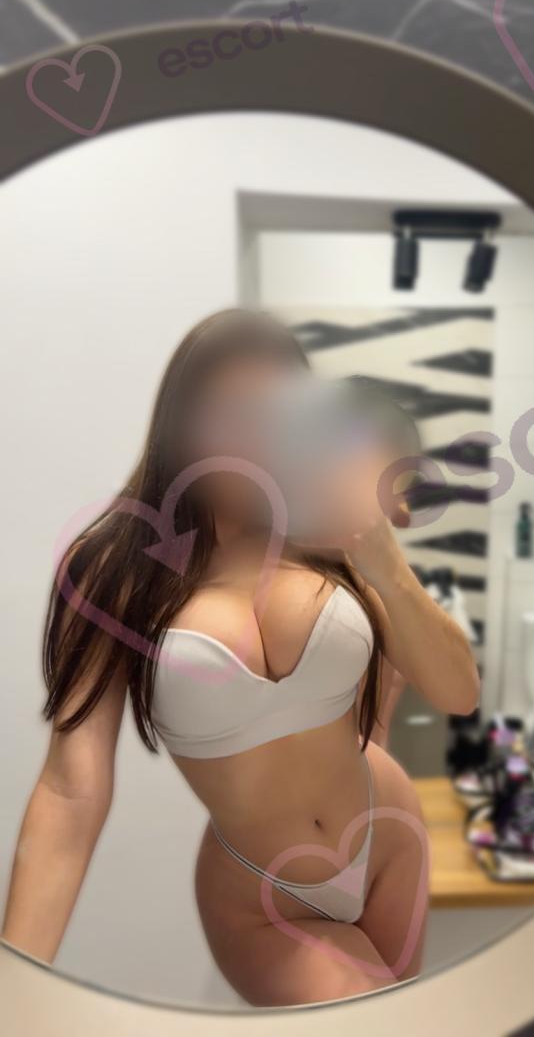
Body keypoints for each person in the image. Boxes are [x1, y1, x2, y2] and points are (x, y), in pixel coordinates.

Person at [0, 308, 480, 1006]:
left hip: (391, 836)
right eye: (229, 416)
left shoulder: (325, 527)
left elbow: (459, 691)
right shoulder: (114, 568)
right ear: (180, 426)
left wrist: (385, 564)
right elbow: (72, 790)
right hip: (264, 895)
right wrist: (17, 984)